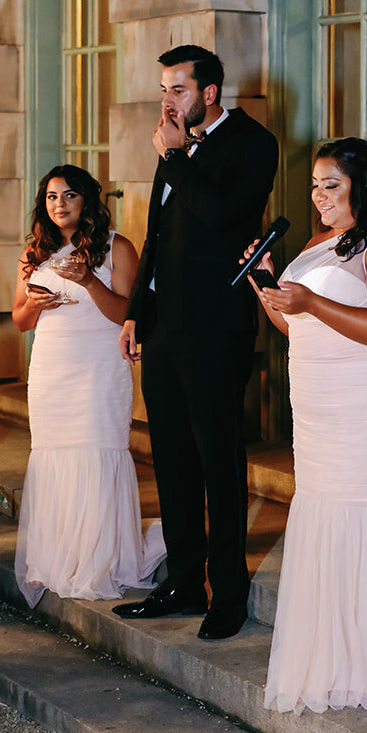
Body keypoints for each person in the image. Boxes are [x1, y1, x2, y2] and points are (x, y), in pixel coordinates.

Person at [250, 138, 367, 713]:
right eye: (315, 187)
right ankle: (336, 657)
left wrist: (309, 304)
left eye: (332, 185)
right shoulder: (315, 242)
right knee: (325, 507)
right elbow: (297, 328)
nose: (320, 196)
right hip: (319, 402)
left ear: (362, 186)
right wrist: (267, 285)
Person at [114, 46, 279, 639]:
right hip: (163, 326)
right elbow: (154, 237)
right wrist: (135, 312)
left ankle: (228, 596)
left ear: (209, 92)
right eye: (164, 89)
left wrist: (177, 158)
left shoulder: (253, 144)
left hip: (216, 327)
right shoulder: (174, 143)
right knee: (173, 459)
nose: (167, 101)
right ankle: (183, 582)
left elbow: (224, 216)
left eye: (178, 90)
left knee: (218, 462)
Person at [11, 165, 164, 605]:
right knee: (53, 455)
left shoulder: (118, 248)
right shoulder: (33, 252)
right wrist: (35, 304)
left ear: (88, 201)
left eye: (69, 196)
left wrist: (89, 281)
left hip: (98, 367)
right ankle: (57, 557)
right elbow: (20, 321)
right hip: (51, 369)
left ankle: (101, 558)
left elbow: (126, 315)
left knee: (98, 452)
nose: (59, 205)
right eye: (52, 196)